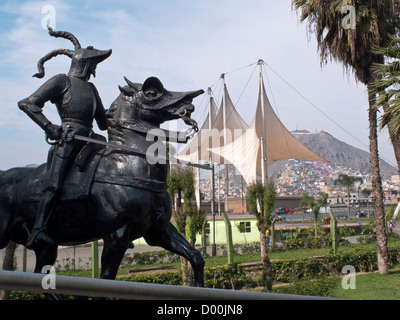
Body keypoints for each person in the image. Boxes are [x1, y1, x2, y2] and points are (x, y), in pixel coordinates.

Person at [18, 27, 111, 250]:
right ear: (86, 64)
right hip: (68, 139)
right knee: (55, 184)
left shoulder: (91, 88)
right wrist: (50, 127)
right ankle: (39, 228)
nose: (95, 68)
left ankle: (114, 224)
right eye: (94, 64)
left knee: (109, 177)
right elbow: (28, 103)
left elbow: (102, 123)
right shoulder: (61, 81)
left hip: (92, 141)